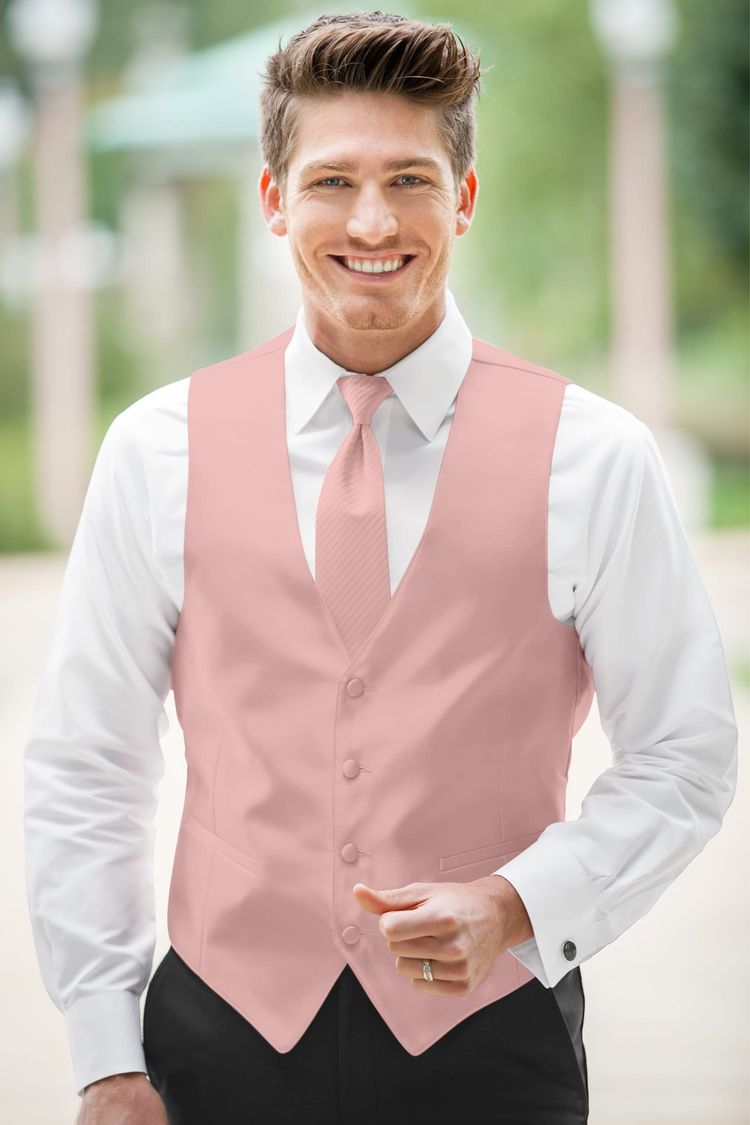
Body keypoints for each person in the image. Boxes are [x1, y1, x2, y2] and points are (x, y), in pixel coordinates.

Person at [24, 11, 738, 1125]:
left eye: (409, 179)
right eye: (331, 181)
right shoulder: (155, 449)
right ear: (273, 200)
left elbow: (686, 753)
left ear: (464, 197)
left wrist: (517, 904)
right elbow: (87, 765)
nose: (372, 221)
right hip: (214, 1039)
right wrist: (106, 1053)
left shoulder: (592, 457)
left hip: (494, 1043)